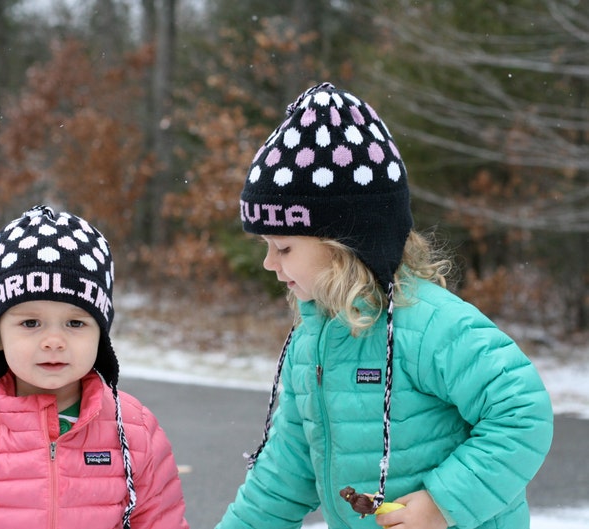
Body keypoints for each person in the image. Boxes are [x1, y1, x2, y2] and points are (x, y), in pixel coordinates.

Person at [216, 83, 553, 529]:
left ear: (343, 244)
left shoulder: (431, 324)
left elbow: (522, 413)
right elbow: (285, 471)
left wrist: (442, 504)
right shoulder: (312, 340)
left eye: (283, 247)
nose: (268, 263)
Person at [0, 205, 189, 529]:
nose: (53, 341)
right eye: (31, 322)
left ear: (100, 335)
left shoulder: (136, 433)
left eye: (75, 323)